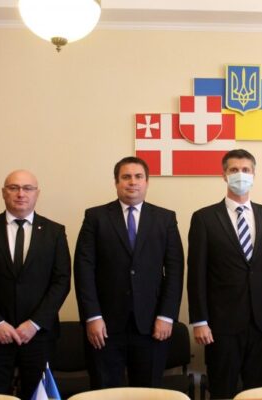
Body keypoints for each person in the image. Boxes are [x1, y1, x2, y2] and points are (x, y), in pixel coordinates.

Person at [74, 156, 184, 389]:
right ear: (116, 182)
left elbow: (175, 270)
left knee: (148, 392)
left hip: (152, 325)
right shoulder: (95, 217)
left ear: (147, 182)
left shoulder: (165, 218)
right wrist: (92, 316)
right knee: (105, 391)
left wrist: (166, 316)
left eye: (138, 176)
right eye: (126, 177)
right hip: (104, 326)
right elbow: (84, 269)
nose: (132, 182)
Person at [0, 170, 71, 400]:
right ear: (4, 193)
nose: (21, 194)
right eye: (14, 188)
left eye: (27, 188)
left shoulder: (55, 232)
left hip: (39, 336)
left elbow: (61, 282)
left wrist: (34, 323)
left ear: (37, 193)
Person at [187, 149, 262, 399]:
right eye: (234, 170)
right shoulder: (204, 218)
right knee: (223, 391)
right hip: (221, 324)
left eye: (245, 170)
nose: (240, 175)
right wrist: (200, 321)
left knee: (259, 392)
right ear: (224, 175)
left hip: (261, 322)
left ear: (254, 174)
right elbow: (196, 274)